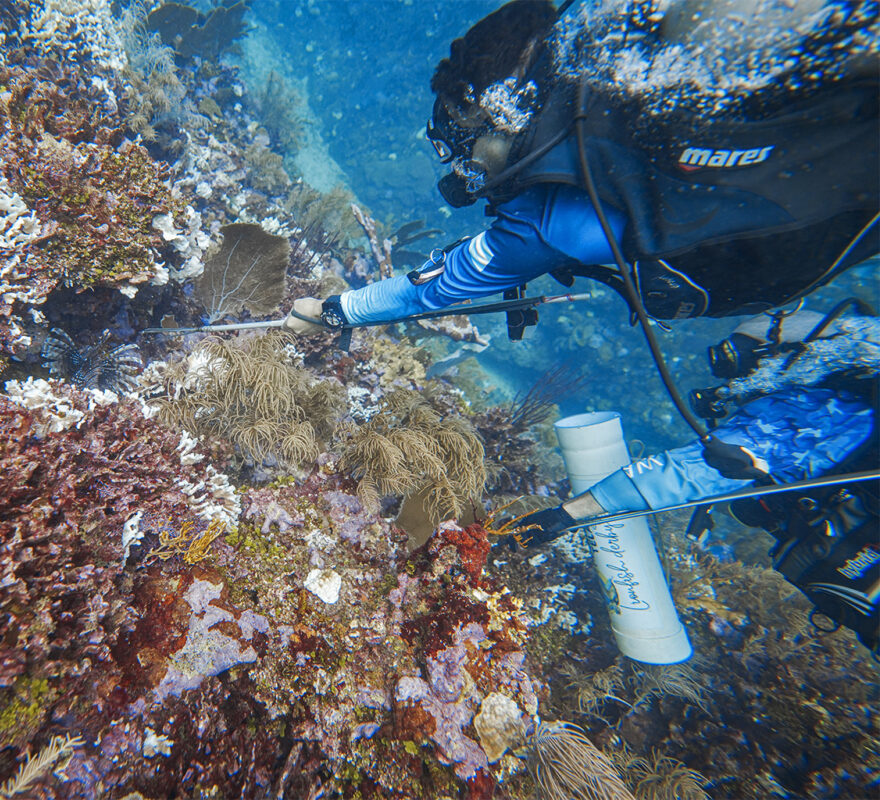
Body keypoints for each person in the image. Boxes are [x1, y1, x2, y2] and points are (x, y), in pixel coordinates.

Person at [283, 0, 878, 335]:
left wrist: (334, 310)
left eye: (462, 138)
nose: (463, 163)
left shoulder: (541, 222)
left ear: (502, 112)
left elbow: (427, 294)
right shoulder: (600, 88)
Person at [522, 307, 879, 652]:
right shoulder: (858, 400)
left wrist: (564, 515)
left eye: (737, 363)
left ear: (780, 355)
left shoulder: (813, 408)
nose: (734, 381)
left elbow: (685, 472)